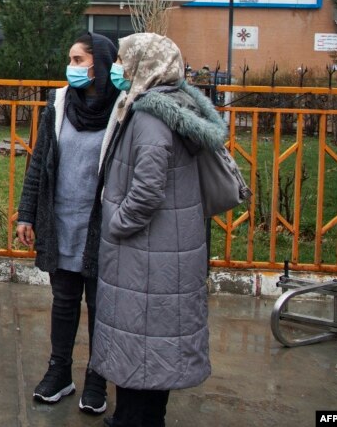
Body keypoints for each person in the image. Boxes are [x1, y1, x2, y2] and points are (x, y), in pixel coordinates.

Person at [93, 33, 218, 426]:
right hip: (165, 249)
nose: (117, 67)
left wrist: (117, 222)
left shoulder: (149, 116)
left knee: (140, 346)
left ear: (143, 64)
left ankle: (134, 421)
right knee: (153, 347)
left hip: (147, 254)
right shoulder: (174, 106)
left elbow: (147, 189)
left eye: (123, 59)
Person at [15, 33, 121, 414]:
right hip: (60, 220)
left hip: (102, 225)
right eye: (71, 60)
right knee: (63, 301)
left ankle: (97, 378)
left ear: (101, 65)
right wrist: (27, 213)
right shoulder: (59, 102)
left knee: (100, 304)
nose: (72, 67)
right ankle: (59, 371)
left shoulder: (123, 109)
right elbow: (40, 160)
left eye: (78, 59)